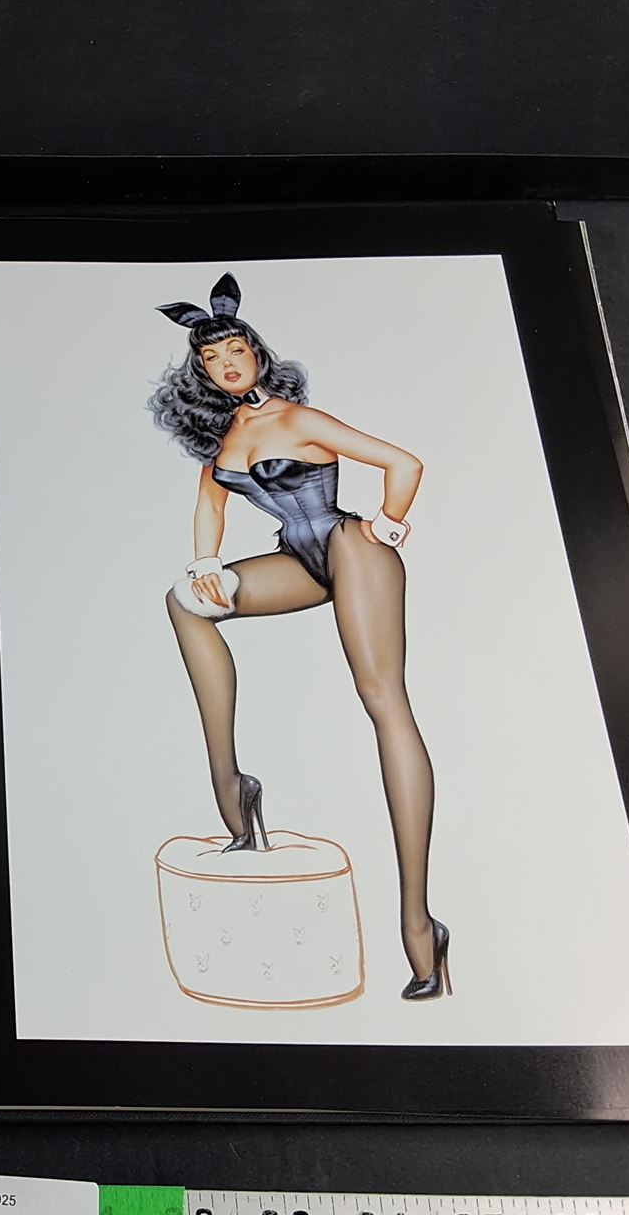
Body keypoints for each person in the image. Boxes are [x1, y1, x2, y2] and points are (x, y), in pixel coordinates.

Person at [149, 274, 450, 1000]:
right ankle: (231, 782)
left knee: (384, 703)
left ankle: (419, 923)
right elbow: (211, 505)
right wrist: (205, 563)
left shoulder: (297, 418)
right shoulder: (224, 438)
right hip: (299, 560)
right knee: (184, 602)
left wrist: (387, 527)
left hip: (352, 549)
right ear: (201, 372)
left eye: (235, 350)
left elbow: (404, 463)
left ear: (257, 353)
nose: (226, 364)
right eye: (212, 358)